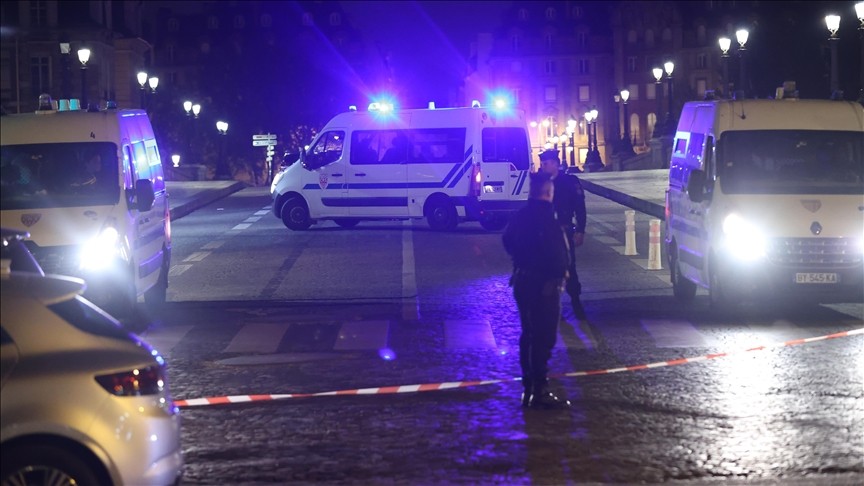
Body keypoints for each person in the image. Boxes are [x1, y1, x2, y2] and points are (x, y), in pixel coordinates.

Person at [502, 171, 572, 409]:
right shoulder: (549, 221)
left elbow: (507, 240)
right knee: (544, 336)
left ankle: (528, 386)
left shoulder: (520, 216)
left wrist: (521, 259)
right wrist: (559, 274)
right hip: (545, 286)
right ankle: (539, 389)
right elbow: (558, 255)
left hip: (522, 280)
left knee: (528, 333)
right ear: (548, 193)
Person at [538, 149, 588, 320]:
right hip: (545, 233)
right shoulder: (539, 183)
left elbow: (579, 208)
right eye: (542, 163)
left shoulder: (569, 182)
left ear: (554, 163)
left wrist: (581, 230)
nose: (542, 167)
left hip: (564, 231)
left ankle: (575, 301)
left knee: (569, 267)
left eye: (545, 163)